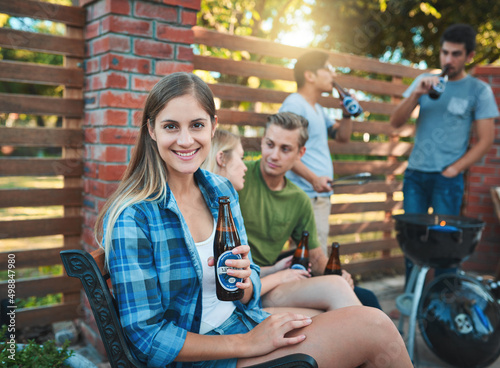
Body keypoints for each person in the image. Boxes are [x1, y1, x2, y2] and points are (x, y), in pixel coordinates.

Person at [94, 72, 413, 368]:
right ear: (151, 129)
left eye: (196, 125)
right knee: (376, 329)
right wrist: (247, 343)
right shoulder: (133, 217)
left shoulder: (219, 189)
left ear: (213, 127)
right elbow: (147, 338)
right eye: (170, 126)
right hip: (202, 353)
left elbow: (249, 280)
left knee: (359, 314)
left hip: (240, 318)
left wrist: (247, 283)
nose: (186, 140)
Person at [203, 115, 381, 311]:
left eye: (285, 149)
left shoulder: (298, 200)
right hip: (249, 283)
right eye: (270, 144)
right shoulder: (235, 179)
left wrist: (341, 274)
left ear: (300, 153)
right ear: (262, 142)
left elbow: (315, 257)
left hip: (265, 276)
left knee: (366, 298)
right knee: (335, 299)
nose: (274, 155)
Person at [390, 24, 499, 280]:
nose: (448, 59)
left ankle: (441, 306)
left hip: (446, 180)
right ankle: (411, 302)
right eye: (445, 52)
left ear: (469, 56)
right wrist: (416, 93)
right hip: (416, 175)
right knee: (412, 241)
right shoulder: (424, 82)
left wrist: (454, 169)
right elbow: (395, 122)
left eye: (456, 54)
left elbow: (486, 140)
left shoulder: (478, 90)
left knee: (445, 245)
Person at [279, 50, 355, 256]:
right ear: (310, 75)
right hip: (307, 194)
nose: (333, 75)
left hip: (318, 194)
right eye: (328, 69)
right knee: (312, 256)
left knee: (308, 254)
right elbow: (284, 150)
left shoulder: (318, 109)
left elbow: (342, 137)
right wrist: (314, 180)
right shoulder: (295, 104)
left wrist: (347, 114)